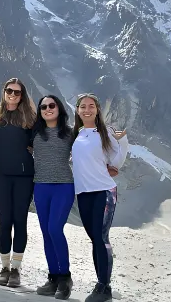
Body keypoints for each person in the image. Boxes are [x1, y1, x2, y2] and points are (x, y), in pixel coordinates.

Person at [71, 93, 128, 302]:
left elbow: (118, 155)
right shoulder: (77, 134)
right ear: (77, 110)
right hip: (83, 192)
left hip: (103, 191)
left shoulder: (105, 132)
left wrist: (117, 162)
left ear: (97, 109)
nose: (87, 110)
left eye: (91, 106)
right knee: (94, 239)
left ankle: (104, 287)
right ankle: (100, 284)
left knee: (101, 237)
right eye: (83, 106)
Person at [0, 78, 36, 288]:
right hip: (2, 175)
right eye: (9, 91)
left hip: (24, 177)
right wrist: (0, 149)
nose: (13, 95)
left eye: (17, 92)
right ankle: (4, 267)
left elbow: (41, 139)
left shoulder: (30, 118)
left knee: (20, 221)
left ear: (22, 95)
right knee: (4, 221)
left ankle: (16, 270)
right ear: (4, 91)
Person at [31, 95, 75, 299]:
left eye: (51, 105)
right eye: (43, 107)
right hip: (41, 187)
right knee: (46, 233)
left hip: (63, 186)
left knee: (55, 229)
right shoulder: (34, 133)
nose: (47, 109)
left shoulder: (70, 133)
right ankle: (53, 278)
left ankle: (65, 278)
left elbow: (90, 147)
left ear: (59, 108)